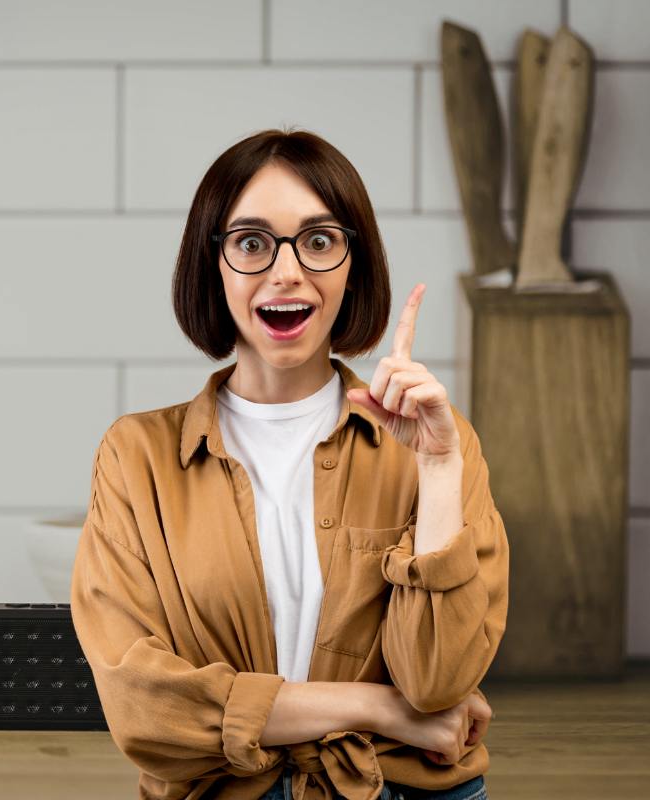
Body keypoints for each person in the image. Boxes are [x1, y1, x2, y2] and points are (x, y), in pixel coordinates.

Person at [69, 128, 508, 800]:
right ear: (213, 265)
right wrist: (378, 709)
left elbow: (437, 684)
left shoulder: (436, 445)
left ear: (354, 265)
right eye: (252, 243)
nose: (287, 272)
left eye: (319, 240)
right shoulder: (136, 457)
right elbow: (144, 710)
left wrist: (441, 466)